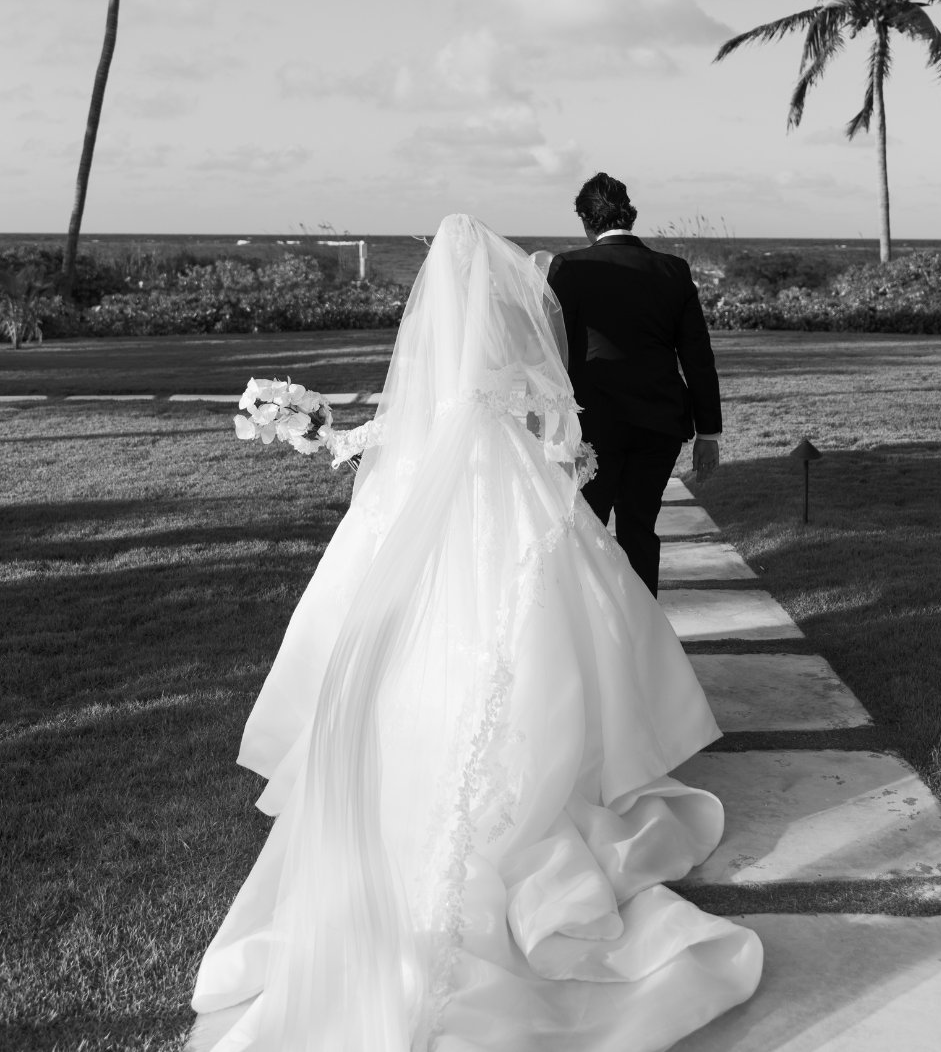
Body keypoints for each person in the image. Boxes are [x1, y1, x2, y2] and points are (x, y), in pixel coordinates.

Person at [186, 214, 761, 1052]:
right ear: (498, 299)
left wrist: (316, 428)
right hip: (510, 489)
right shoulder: (518, 355)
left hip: (432, 494)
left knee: (424, 630)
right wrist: (569, 457)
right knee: (549, 626)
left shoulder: (426, 369)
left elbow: (389, 429)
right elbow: (558, 429)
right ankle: (559, 772)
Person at [547, 174, 722, 596]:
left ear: (587, 221)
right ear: (630, 213)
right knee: (639, 528)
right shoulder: (673, 270)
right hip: (659, 424)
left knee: (586, 532)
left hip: (592, 428)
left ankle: (598, 635)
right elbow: (697, 356)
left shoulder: (569, 268)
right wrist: (709, 432)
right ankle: (645, 639)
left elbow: (551, 352)